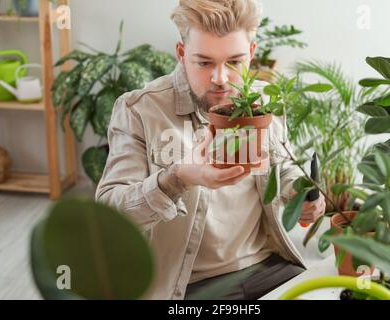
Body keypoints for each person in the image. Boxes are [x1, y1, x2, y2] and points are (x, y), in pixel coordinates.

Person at [95, 0, 325, 300]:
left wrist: (299, 193)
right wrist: (177, 178)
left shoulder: (263, 103)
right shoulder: (140, 110)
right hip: (186, 286)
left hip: (267, 268)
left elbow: (282, 166)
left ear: (251, 54)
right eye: (204, 62)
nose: (221, 78)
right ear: (181, 54)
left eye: (234, 61)